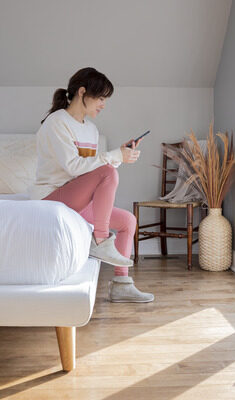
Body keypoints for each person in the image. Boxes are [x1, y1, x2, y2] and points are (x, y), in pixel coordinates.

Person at [30, 67, 154, 303]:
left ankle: (121, 284)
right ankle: (100, 240)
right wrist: (115, 156)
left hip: (75, 196)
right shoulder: (57, 122)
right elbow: (75, 167)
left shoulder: (91, 129)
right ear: (82, 92)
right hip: (50, 196)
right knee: (108, 171)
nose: (103, 105)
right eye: (100, 98)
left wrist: (120, 154)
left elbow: (94, 171)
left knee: (128, 221)